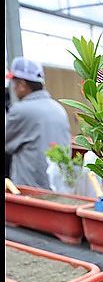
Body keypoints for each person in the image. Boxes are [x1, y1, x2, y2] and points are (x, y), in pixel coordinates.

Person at [5, 57, 71, 189]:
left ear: (22, 85)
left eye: (14, 83)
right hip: (58, 187)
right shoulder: (58, 108)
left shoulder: (21, 110)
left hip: (30, 189)